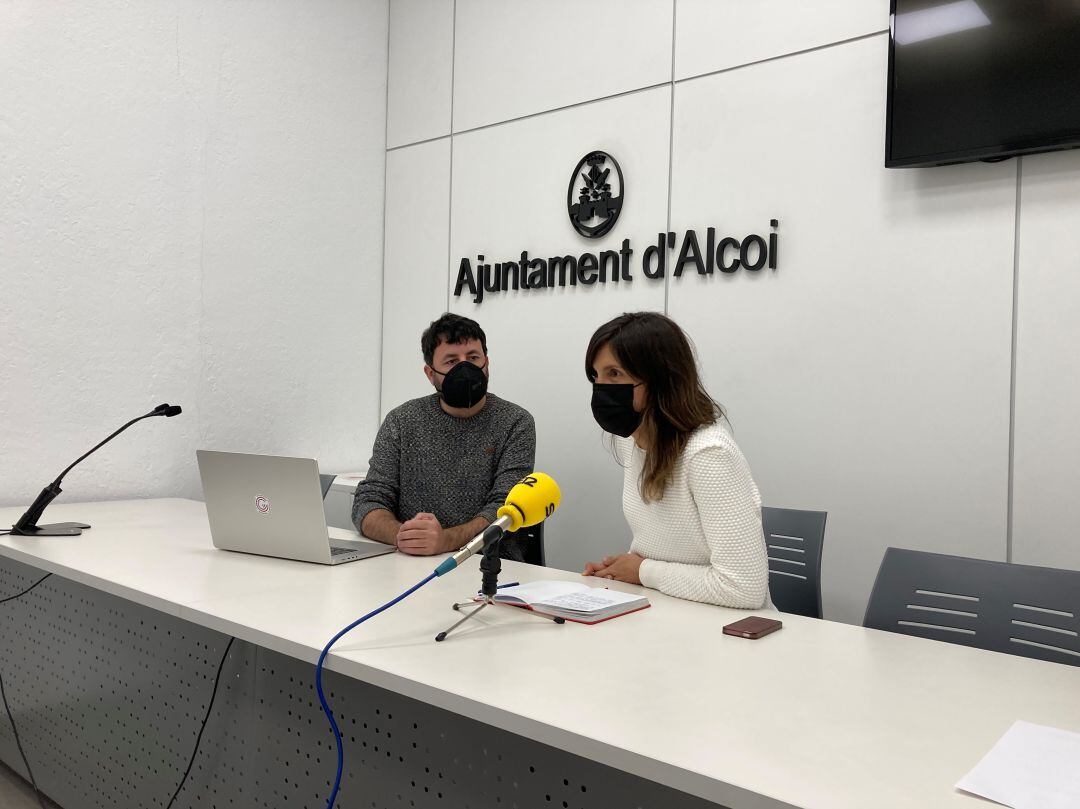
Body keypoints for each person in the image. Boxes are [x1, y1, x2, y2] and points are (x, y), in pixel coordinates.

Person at [581, 312, 770, 608]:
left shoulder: (709, 455)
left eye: (614, 374)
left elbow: (743, 588)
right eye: (595, 376)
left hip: (727, 630)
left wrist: (643, 571)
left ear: (660, 380)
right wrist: (623, 569)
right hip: (666, 615)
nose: (601, 387)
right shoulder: (630, 442)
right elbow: (664, 547)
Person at [352, 313, 536, 559]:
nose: (465, 367)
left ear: (487, 363)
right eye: (451, 361)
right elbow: (369, 501)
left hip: (489, 564)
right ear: (431, 374)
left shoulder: (515, 422)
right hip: (411, 562)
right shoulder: (401, 420)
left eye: (473, 357)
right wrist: (406, 536)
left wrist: (445, 540)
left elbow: (505, 510)